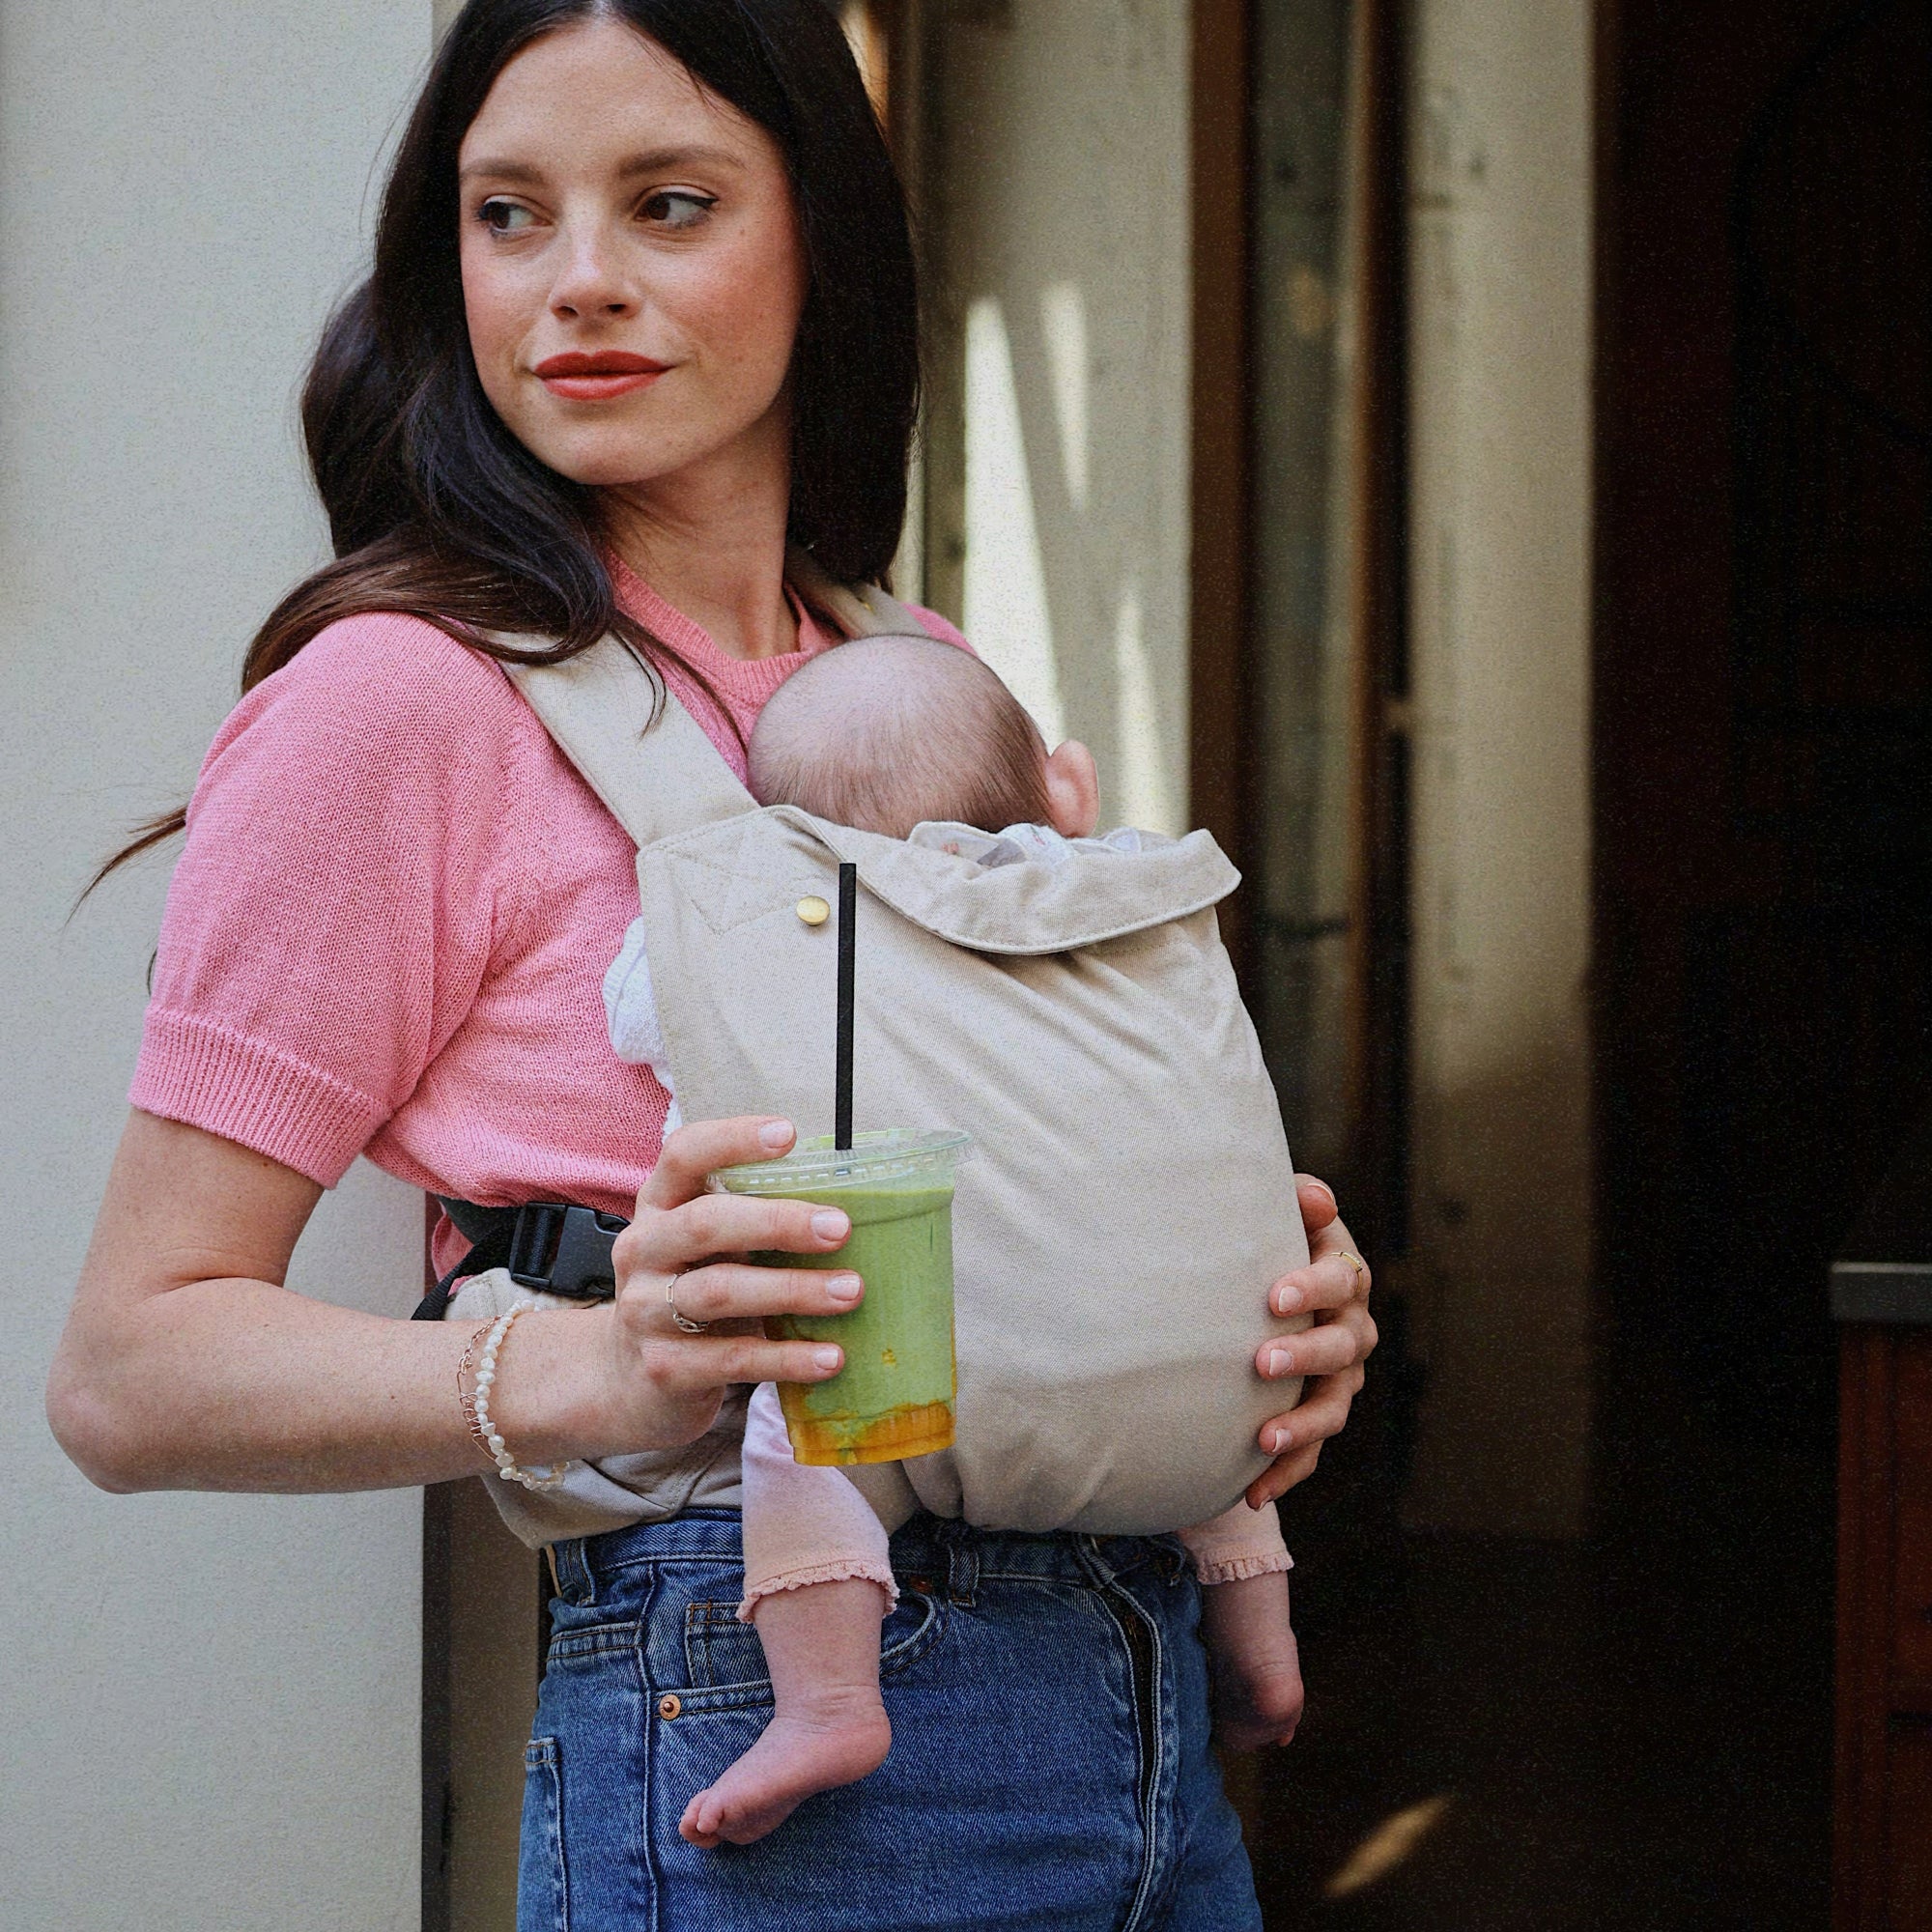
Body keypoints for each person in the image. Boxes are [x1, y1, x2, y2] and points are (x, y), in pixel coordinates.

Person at [45, 5, 1376, 1926]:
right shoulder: (402, 703)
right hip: (759, 1713)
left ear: (820, 238)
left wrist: (1241, 1319)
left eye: (668, 204)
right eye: (509, 214)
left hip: (1148, 1699)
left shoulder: (912, 669)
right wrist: (604, 1360)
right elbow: (127, 1366)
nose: (577, 281)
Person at [599, 633, 1309, 1847]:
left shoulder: (795, 926)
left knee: (803, 1422)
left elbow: (637, 1015)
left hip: (932, 1381)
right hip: (1212, 1374)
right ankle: (1262, 1648)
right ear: (1063, 788)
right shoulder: (1126, 893)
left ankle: (826, 1701)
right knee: (1195, 1378)